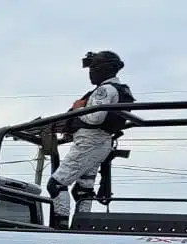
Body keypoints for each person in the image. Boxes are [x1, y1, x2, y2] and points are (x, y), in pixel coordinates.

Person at [49, 50, 133, 227]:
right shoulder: (119, 89)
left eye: (93, 68)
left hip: (89, 142)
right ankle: (82, 226)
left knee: (56, 185)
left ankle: (61, 227)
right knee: (83, 189)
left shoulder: (104, 90)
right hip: (99, 143)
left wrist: (78, 108)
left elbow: (95, 117)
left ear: (103, 69)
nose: (90, 73)